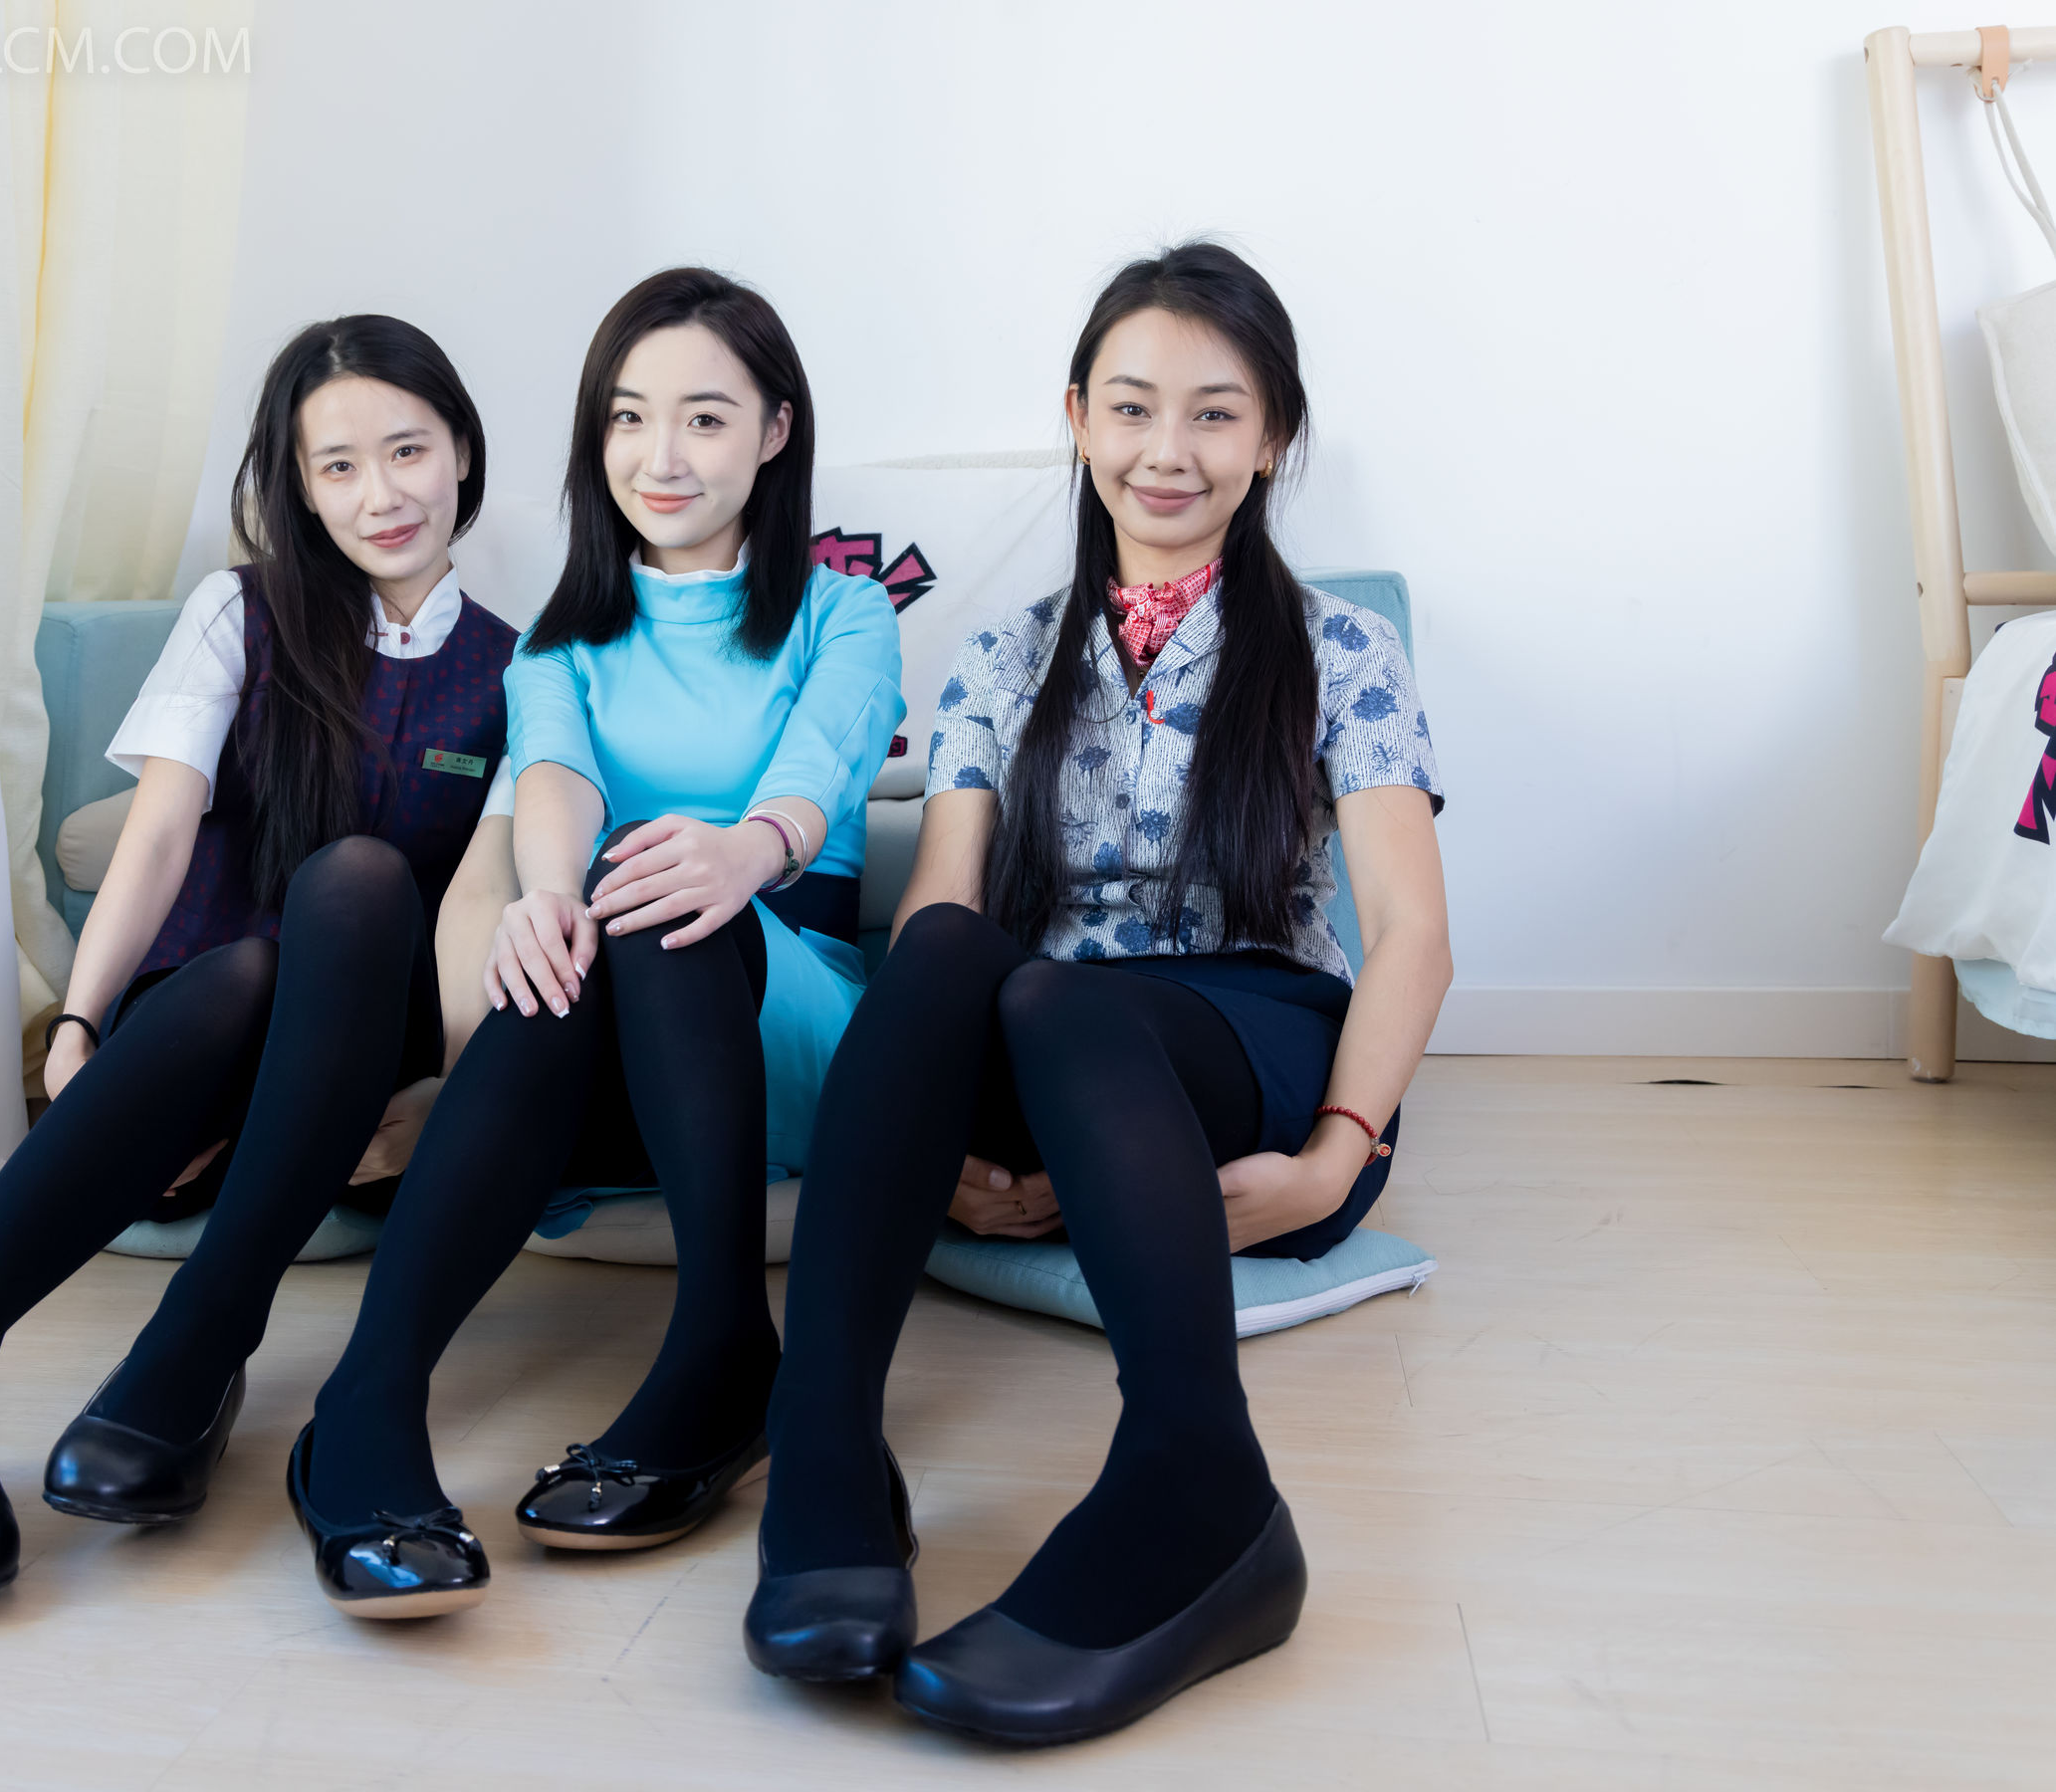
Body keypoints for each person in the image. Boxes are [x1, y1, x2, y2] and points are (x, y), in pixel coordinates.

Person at [744, 243, 1452, 1746]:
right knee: (956, 958)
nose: (1166, 450)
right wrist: (949, 1147)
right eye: (1131, 408)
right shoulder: (1002, 656)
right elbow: (942, 917)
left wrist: (1337, 1155)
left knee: (1060, 1003)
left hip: (1250, 1038)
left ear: (1272, 439)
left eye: (1214, 413)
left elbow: (1408, 934)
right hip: (1052, 1036)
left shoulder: (1344, 650)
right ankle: (826, 1444)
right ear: (1077, 420)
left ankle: (1201, 1489)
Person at [0, 315, 517, 1603]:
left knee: (362, 883)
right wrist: (80, 1026)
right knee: (253, 970)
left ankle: (202, 1332)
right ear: (297, 485)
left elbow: (488, 908)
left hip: (361, 1090)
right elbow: (155, 837)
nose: (379, 495)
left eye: (406, 451)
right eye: (336, 466)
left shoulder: (520, 671)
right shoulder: (240, 612)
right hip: (204, 1052)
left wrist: (439, 1096)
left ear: (461, 453)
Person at [282, 267, 904, 1618]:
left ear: (775, 432)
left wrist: (746, 849)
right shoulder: (558, 645)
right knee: (577, 915)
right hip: (623, 1031)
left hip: (788, 1013)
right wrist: (544, 895)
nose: (659, 457)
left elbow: (823, 765)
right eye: (628, 418)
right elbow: (554, 776)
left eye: (703, 418)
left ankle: (720, 1341)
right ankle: (370, 1403)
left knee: (651, 880)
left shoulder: (843, 613)